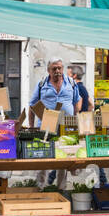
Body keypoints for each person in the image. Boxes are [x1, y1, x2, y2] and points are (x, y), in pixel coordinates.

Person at [28, 59, 82, 189]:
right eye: (54, 69)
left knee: (63, 158)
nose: (57, 71)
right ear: (48, 70)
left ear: (62, 68)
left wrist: (75, 118)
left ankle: (61, 188)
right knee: (43, 157)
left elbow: (77, 100)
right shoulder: (42, 84)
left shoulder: (71, 83)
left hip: (66, 126)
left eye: (59, 68)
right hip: (46, 125)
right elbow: (32, 106)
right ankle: (40, 187)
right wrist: (31, 126)